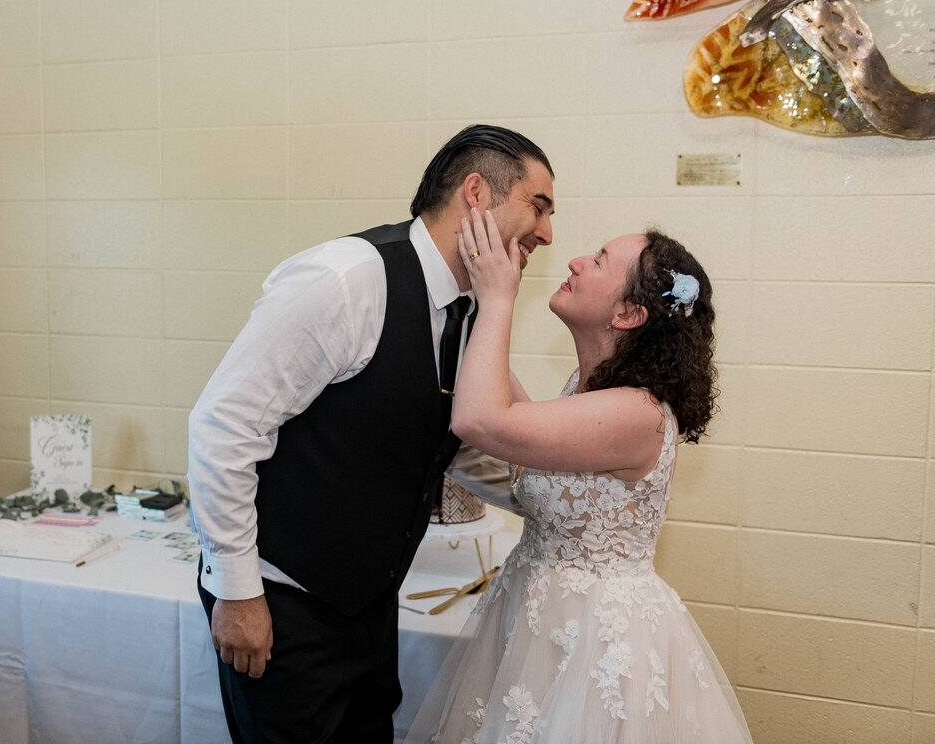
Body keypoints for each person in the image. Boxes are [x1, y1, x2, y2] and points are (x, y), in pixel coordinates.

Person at [188, 124, 556, 743]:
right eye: (538, 206)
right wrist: (237, 592)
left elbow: (446, 436)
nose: (546, 232)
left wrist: (550, 503)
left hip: (367, 604)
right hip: (283, 600)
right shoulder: (348, 279)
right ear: (476, 193)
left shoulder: (469, 310)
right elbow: (224, 425)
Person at [404, 210, 752, 743]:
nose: (574, 260)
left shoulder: (635, 412)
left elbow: (482, 420)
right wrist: (465, 307)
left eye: (597, 261)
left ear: (629, 314)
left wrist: (499, 299)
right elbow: (513, 422)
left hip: (595, 638)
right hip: (535, 616)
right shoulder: (586, 389)